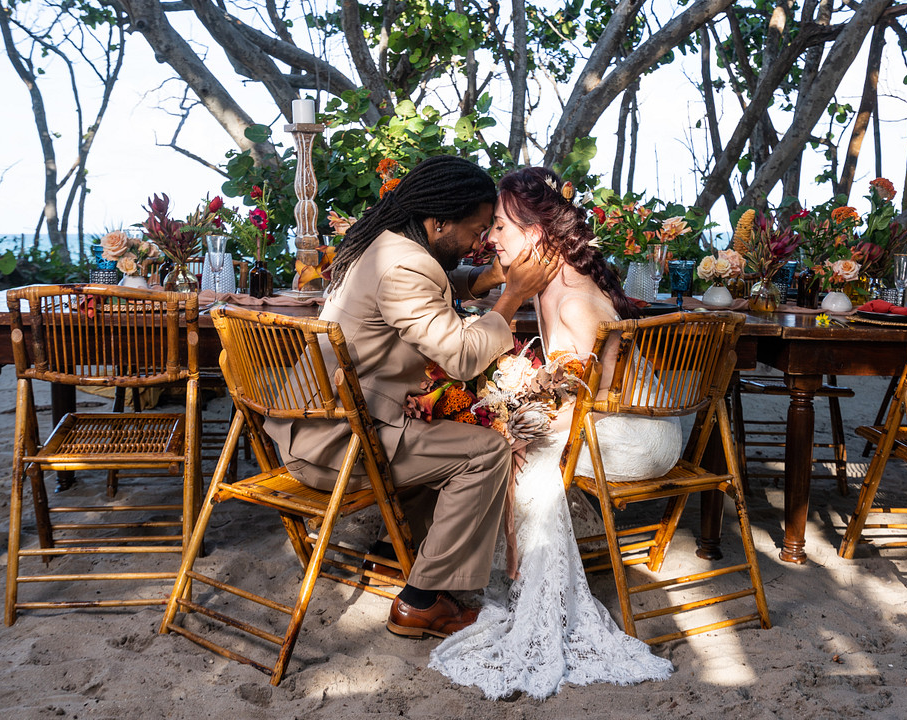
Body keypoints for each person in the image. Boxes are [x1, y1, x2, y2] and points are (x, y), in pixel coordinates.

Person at [263, 156, 561, 639]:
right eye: (477, 228)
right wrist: (513, 297)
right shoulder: (405, 266)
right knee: (485, 452)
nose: (481, 241)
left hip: (319, 424)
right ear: (438, 220)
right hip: (335, 446)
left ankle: (388, 557)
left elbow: (436, 288)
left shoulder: (387, 244)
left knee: (450, 429)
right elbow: (463, 356)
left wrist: (487, 280)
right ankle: (421, 602)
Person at [429, 167, 680, 699]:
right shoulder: (550, 287)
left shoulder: (571, 299)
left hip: (637, 435)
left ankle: (526, 593)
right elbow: (563, 393)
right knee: (507, 445)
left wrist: (514, 426)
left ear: (535, 235)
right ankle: (503, 580)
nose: (489, 238)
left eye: (499, 227)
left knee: (521, 460)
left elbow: (583, 402)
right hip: (600, 419)